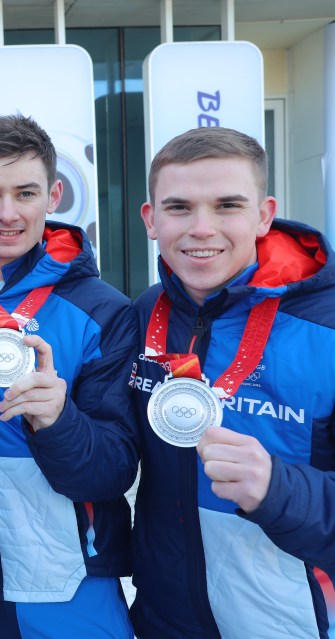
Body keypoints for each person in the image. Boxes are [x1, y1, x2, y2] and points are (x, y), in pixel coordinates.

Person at [0, 114, 137, 638]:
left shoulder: (104, 311)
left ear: (54, 194)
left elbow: (115, 470)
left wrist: (60, 421)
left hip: (71, 581)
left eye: (25, 193)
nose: (6, 213)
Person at [130, 126, 335, 638]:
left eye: (226, 205)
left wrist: (280, 488)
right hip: (164, 619)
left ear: (263, 214)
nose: (202, 228)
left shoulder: (328, 329)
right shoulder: (140, 316)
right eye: (179, 207)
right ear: (151, 220)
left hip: (292, 623)